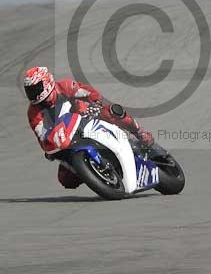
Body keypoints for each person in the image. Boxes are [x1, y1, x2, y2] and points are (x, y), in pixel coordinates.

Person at [24, 66, 154, 189]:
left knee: (112, 112)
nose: (33, 94)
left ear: (47, 82)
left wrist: (95, 104)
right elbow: (41, 135)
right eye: (30, 91)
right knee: (65, 179)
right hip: (68, 139)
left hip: (87, 117)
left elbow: (89, 93)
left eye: (36, 88)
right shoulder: (33, 113)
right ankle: (95, 173)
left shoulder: (65, 86)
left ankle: (139, 131)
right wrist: (49, 148)